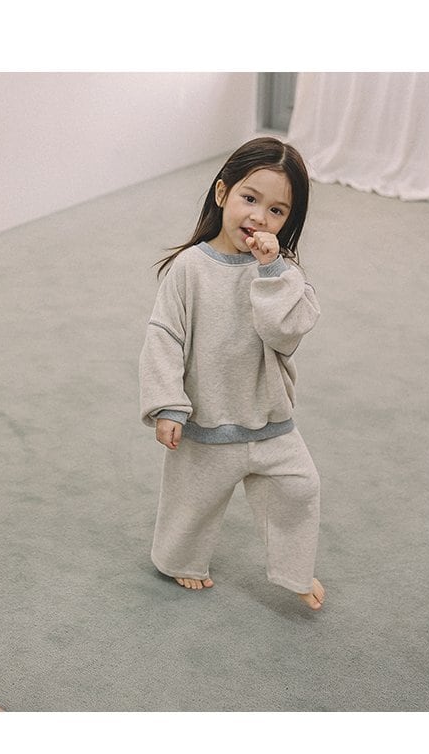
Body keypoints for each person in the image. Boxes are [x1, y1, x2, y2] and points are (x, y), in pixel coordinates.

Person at [139, 137, 325, 610]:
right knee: (190, 503)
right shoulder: (189, 268)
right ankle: (179, 560)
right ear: (222, 193)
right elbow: (164, 337)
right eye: (250, 199)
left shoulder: (283, 274)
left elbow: (284, 333)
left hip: (270, 419)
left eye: (277, 211)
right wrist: (168, 405)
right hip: (207, 420)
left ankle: (295, 571)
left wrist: (271, 271)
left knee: (300, 488)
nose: (260, 217)